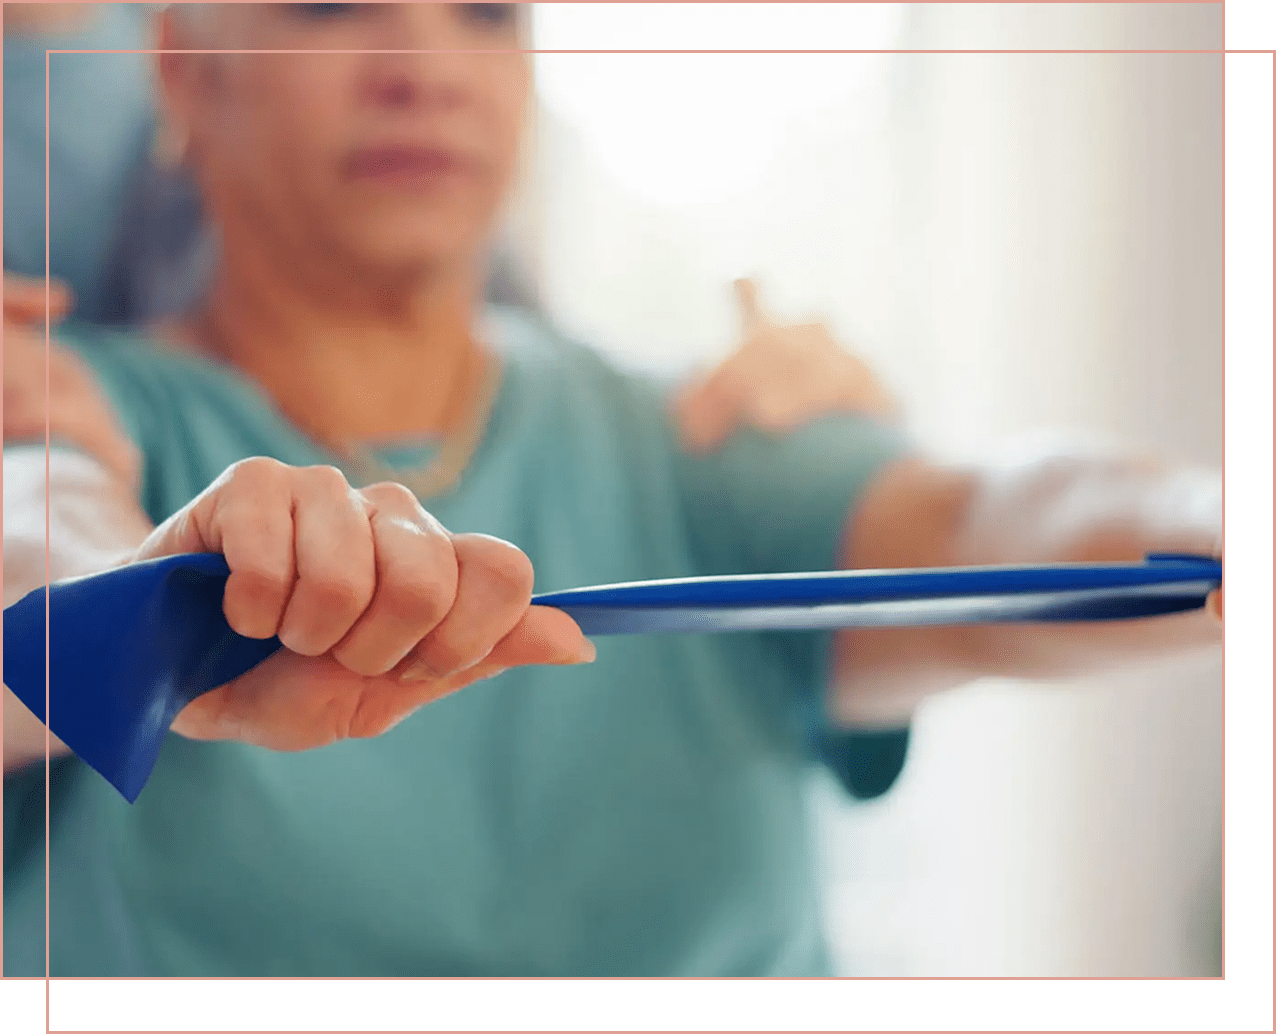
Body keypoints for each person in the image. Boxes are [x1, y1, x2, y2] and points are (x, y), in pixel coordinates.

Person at [3, 3, 1221, 978]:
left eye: (484, 15)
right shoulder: (63, 399)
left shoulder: (698, 430)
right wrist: (138, 613)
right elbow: (40, 544)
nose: (419, 65)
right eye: (330, 9)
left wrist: (1203, 519)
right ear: (182, 71)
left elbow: (991, 512)